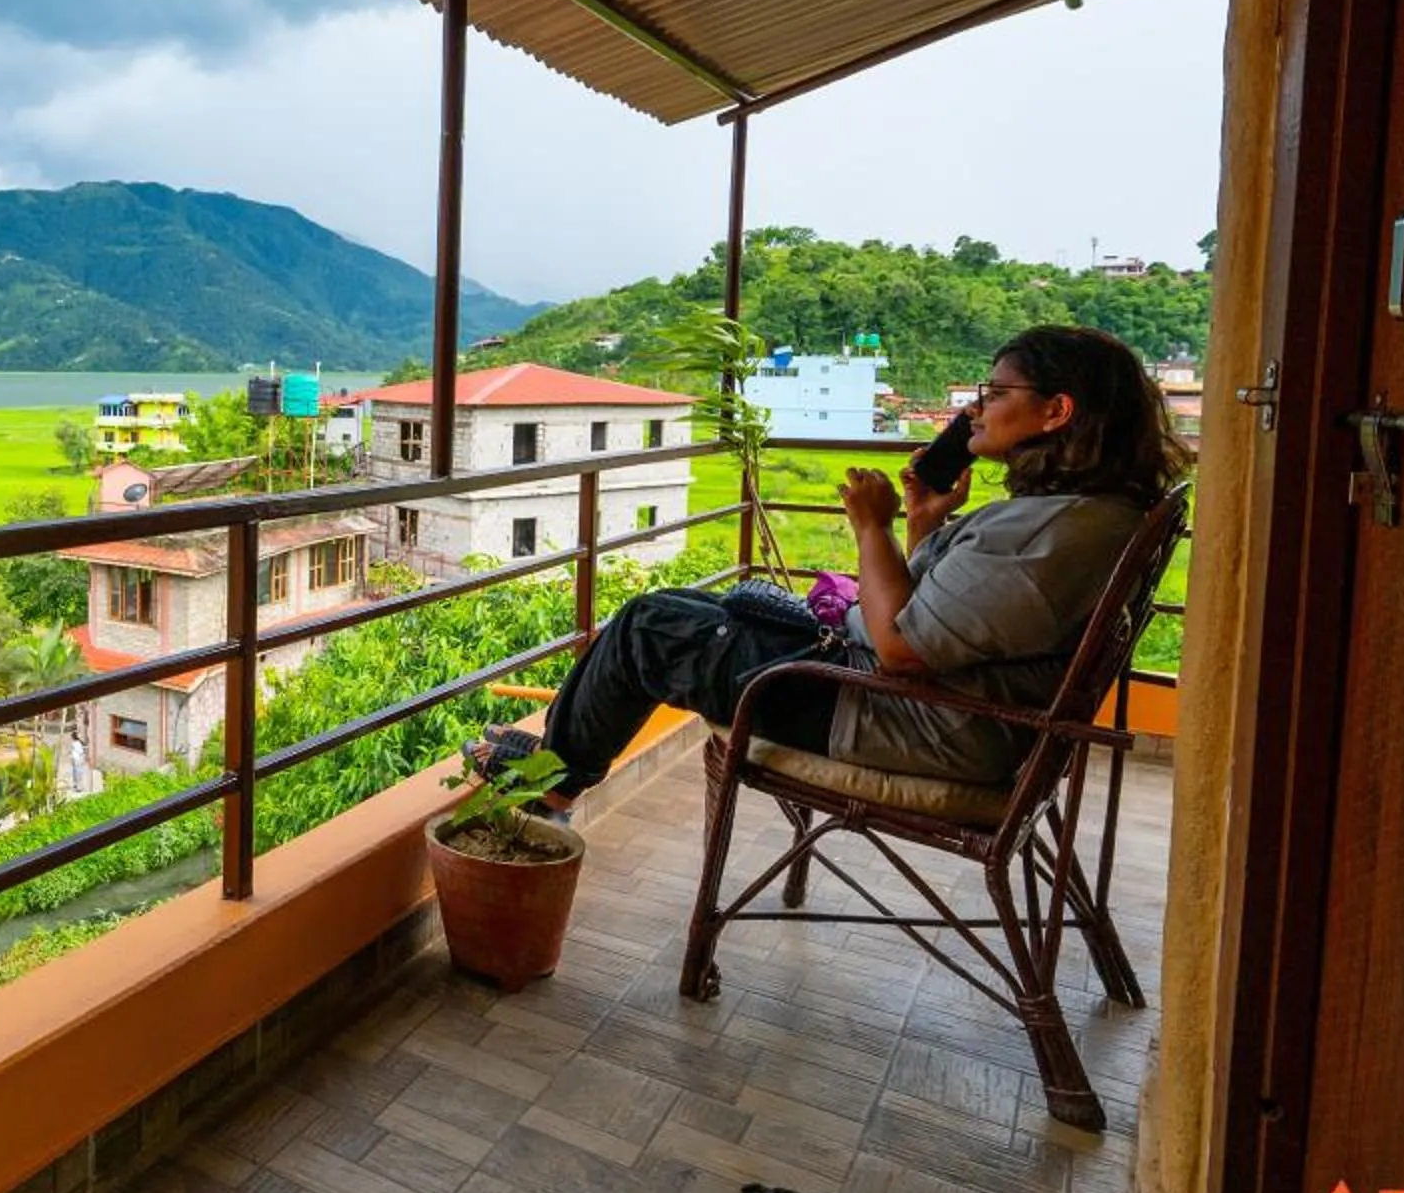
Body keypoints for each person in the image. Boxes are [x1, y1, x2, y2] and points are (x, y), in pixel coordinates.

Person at [465, 325, 1190, 822]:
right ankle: (560, 758)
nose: (974, 407)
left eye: (995, 393)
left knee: (650, 628)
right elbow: (946, 614)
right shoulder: (1079, 514)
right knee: (688, 605)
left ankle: (552, 790)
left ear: (1055, 411)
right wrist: (923, 521)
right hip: (919, 699)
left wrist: (870, 525)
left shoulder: (1059, 531)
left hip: (893, 712)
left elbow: (905, 646)